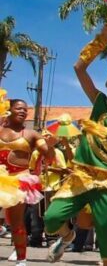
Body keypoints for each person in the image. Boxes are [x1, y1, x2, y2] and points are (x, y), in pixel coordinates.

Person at [45, 25, 107, 266]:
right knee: (51, 218)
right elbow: (79, 68)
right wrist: (100, 41)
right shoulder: (99, 100)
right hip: (83, 174)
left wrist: (99, 129)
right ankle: (67, 237)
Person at [0, 98, 51, 266]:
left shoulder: (32, 134)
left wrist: (48, 146)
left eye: (25, 109)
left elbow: (48, 154)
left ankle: (21, 259)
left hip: (18, 181)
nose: (23, 111)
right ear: (9, 109)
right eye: (19, 108)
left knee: (17, 221)